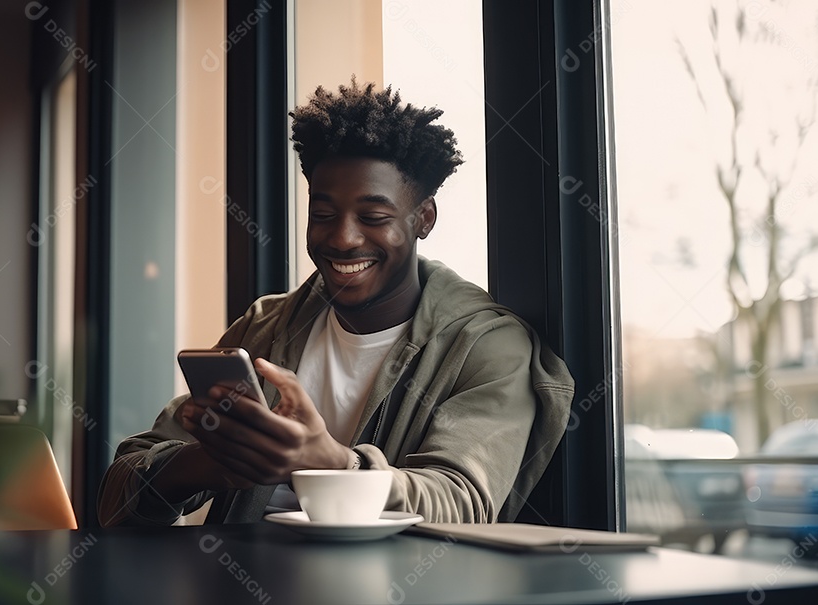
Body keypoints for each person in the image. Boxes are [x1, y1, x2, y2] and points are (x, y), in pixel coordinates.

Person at [97, 79, 574, 526]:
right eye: (323, 214)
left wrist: (333, 462)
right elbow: (117, 492)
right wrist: (212, 464)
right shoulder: (265, 326)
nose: (343, 238)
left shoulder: (487, 346)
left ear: (423, 218)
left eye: (373, 216)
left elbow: (459, 500)